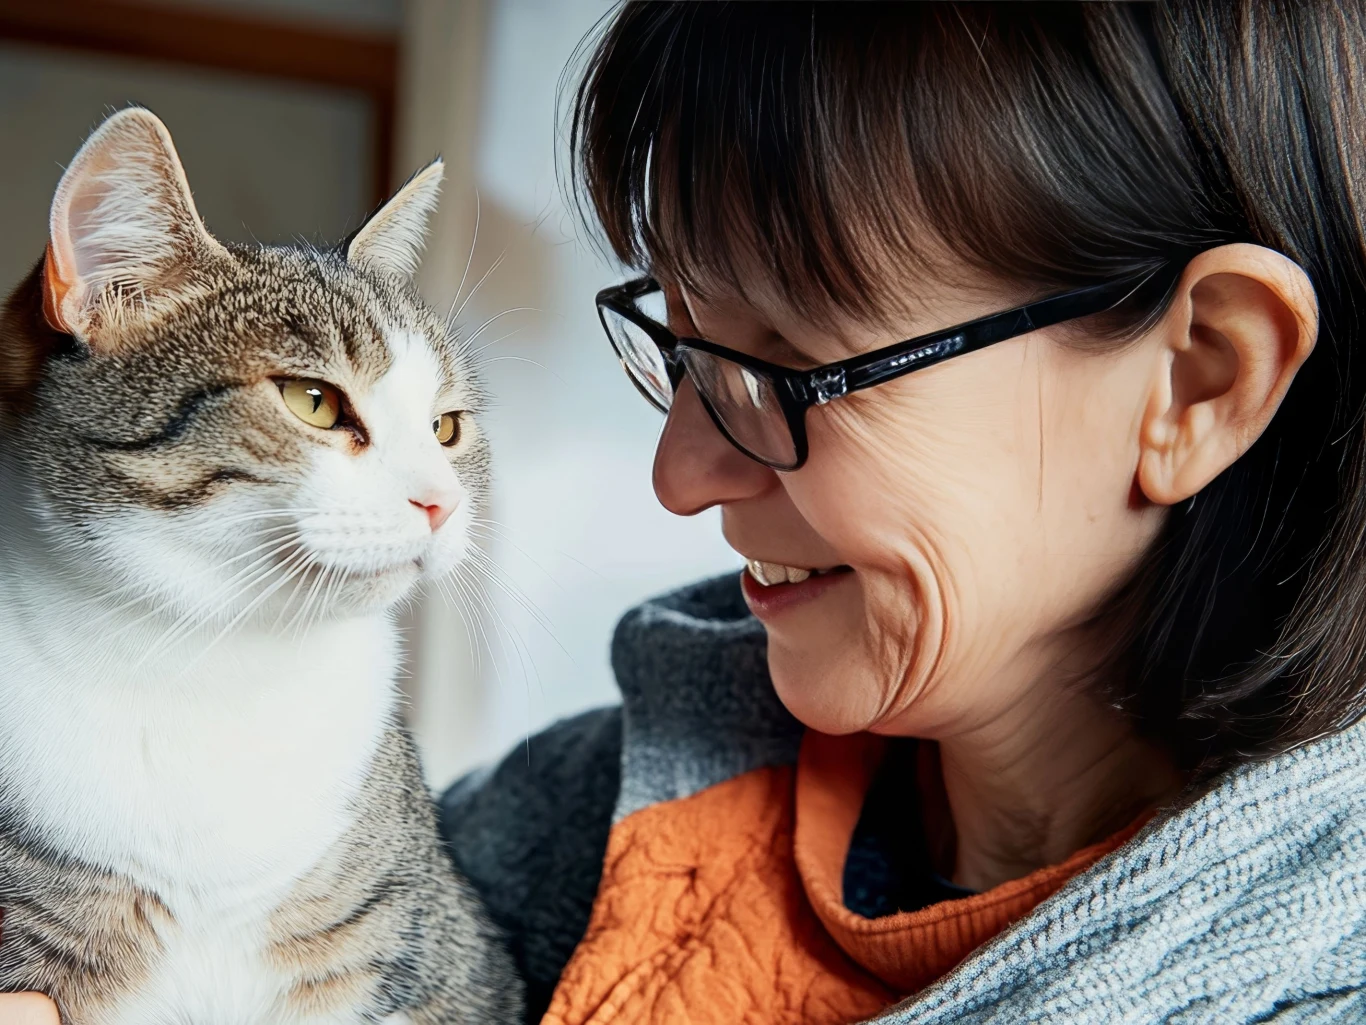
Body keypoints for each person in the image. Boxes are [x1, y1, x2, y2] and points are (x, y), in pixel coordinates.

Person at [5, 2, 1366, 1022]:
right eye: (681, 349)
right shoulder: (566, 822)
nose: (680, 476)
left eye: (783, 365)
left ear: (1197, 379)